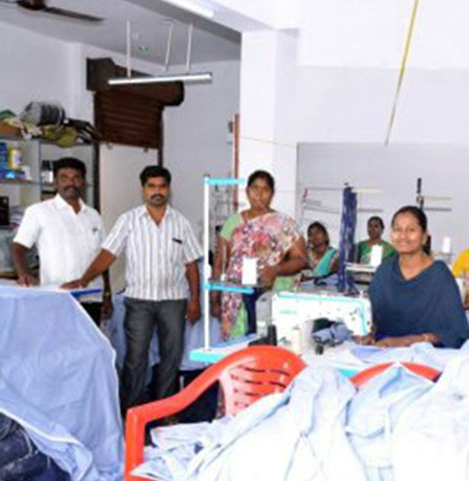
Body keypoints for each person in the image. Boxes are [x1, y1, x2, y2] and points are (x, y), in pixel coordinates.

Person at [64, 165, 203, 414]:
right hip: (139, 301)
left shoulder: (180, 223)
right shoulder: (128, 220)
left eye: (162, 186)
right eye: (151, 186)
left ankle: (165, 412)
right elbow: (108, 254)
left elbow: (191, 264)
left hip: (174, 300)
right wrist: (83, 279)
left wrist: (195, 301)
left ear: (169, 189)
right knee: (136, 358)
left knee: (171, 357)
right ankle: (132, 412)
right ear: (143, 189)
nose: (157, 191)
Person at [11, 157, 112, 324]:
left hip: (92, 297)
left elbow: (103, 258)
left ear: (83, 182)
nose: (70, 183)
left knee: (89, 341)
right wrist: (24, 274)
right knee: (57, 341)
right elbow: (18, 247)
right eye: (64, 178)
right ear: (55, 183)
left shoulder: (93, 215)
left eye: (76, 178)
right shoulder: (38, 211)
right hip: (57, 297)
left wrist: (107, 294)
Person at [211, 170, 308, 339]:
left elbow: (301, 260)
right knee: (237, 346)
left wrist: (276, 270)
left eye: (265, 189)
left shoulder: (284, 224)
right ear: (247, 191)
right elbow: (219, 262)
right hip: (236, 297)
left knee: (267, 342)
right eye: (255, 188)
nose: (259, 194)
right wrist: (214, 300)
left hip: (271, 296)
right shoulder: (233, 223)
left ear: (272, 193)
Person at [362, 206, 469, 349]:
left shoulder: (439, 275)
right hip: (383, 349)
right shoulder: (385, 271)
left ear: (424, 236)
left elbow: (456, 333)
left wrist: (411, 341)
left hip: (429, 354)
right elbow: (371, 316)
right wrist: (367, 334)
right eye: (397, 229)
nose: (403, 236)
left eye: (411, 230)